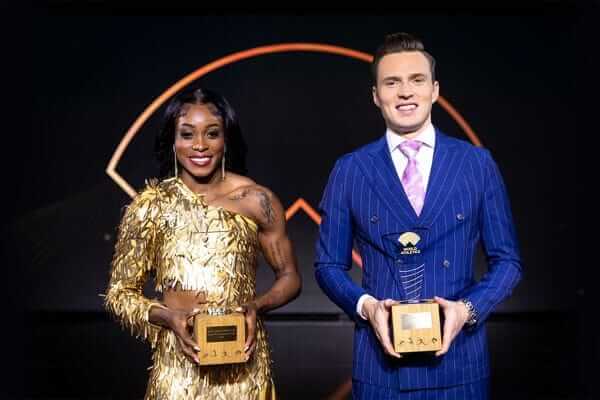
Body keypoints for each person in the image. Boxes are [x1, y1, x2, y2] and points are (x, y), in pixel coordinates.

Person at [314, 32, 522, 399]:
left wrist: (466, 310)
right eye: (392, 82)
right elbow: (328, 265)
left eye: (417, 80)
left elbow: (508, 261)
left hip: (461, 366)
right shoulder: (350, 170)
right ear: (376, 95)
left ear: (435, 90)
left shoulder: (476, 164)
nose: (405, 92)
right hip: (381, 371)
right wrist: (367, 307)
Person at [105, 86, 301, 399]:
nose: (200, 145)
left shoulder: (257, 200)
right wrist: (168, 317)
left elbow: (290, 277)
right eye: (187, 134)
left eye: (212, 134)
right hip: (177, 373)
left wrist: (256, 305)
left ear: (226, 139)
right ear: (173, 141)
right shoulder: (150, 206)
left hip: (244, 373)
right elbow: (119, 294)